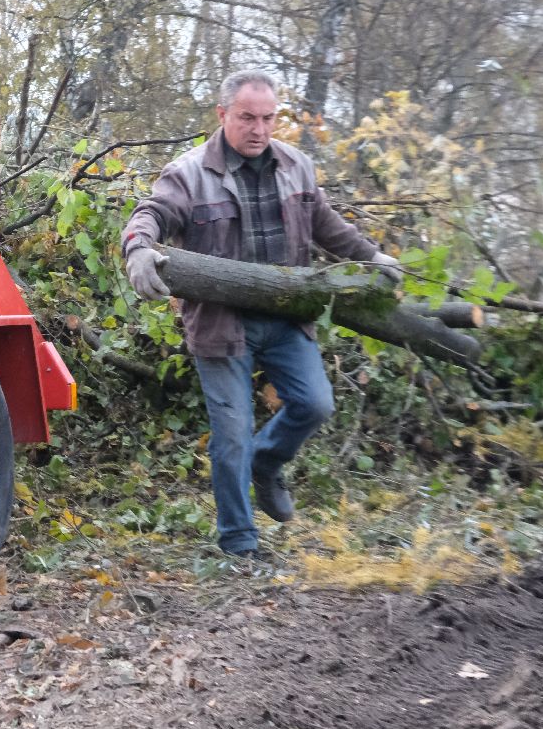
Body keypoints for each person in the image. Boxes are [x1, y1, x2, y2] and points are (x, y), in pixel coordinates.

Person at [119, 71, 401, 558]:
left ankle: (266, 463)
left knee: (315, 405)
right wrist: (138, 249)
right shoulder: (188, 172)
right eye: (247, 118)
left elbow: (325, 224)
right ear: (223, 114)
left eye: (268, 118)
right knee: (231, 436)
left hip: (287, 317)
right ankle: (240, 543)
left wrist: (372, 258)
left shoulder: (296, 166)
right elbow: (153, 213)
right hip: (220, 323)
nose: (259, 129)